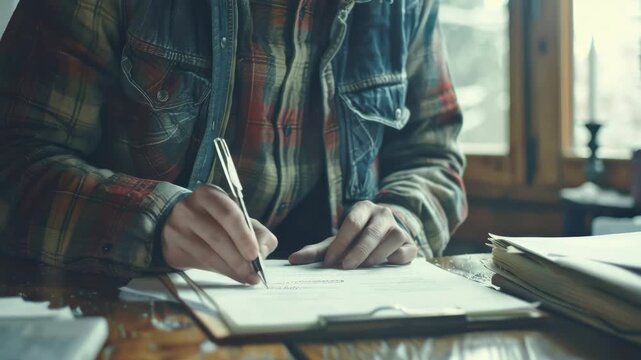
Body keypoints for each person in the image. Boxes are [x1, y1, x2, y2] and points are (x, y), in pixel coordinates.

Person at [0, 0, 467, 283]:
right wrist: (152, 220)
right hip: (125, 312)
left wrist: (401, 220)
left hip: (335, 316)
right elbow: (15, 163)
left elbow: (434, 157)